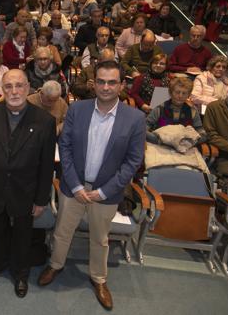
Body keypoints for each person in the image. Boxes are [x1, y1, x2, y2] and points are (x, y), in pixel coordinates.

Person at [38, 60, 145, 311]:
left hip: (106, 193)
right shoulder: (78, 109)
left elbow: (133, 161)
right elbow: (64, 147)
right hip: (73, 188)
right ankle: (55, 265)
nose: (105, 87)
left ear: (121, 85)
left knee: (100, 239)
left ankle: (99, 278)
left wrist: (105, 191)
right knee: (62, 232)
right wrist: (75, 185)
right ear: (93, 82)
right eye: (101, 81)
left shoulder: (135, 118)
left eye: (112, 82)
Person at [0, 69, 57, 298]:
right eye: (8, 86)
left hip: (26, 191)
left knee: (23, 236)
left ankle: (21, 274)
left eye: (19, 85)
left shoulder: (45, 121)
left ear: (28, 88)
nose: (14, 91)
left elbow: (46, 165)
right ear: (2, 89)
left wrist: (41, 199)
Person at [146, 77, 207, 144]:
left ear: (188, 95)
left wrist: (190, 142)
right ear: (171, 93)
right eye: (177, 92)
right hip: (161, 144)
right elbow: (145, 126)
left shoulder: (193, 110)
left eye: (184, 93)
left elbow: (201, 131)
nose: (180, 96)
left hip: (184, 146)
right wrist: (157, 139)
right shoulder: (160, 109)